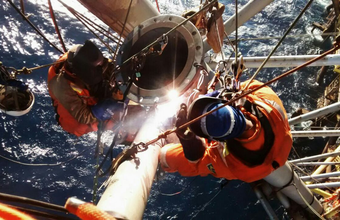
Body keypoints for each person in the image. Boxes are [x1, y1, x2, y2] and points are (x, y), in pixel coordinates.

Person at [160, 79, 292, 183]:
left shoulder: (226, 162)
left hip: (259, 170)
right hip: (281, 145)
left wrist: (188, 142)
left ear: (217, 140)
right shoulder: (266, 99)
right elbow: (248, 85)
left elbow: (173, 157)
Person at [47, 40, 125, 137]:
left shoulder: (94, 61)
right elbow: (83, 116)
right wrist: (108, 107)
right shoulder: (62, 86)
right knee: (78, 127)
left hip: (93, 91)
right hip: (77, 108)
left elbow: (109, 68)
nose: (104, 66)